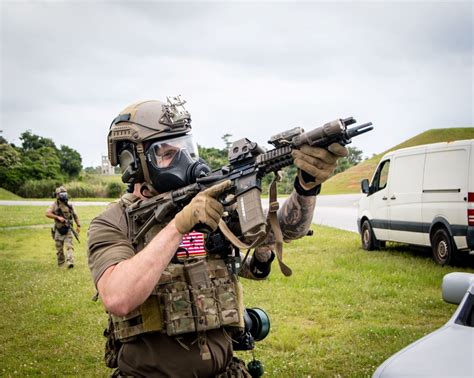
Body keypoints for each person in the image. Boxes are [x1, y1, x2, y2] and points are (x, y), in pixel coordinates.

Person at [87, 96, 347, 377]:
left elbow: (283, 231)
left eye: (186, 148)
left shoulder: (206, 202)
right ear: (133, 162)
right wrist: (178, 227)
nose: (184, 160)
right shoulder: (113, 222)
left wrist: (306, 187)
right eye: (167, 153)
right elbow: (118, 297)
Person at [46, 186, 81, 268]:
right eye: (62, 194)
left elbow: (76, 216)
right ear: (57, 195)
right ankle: (61, 263)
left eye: (65, 194)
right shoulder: (54, 205)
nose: (64, 196)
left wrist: (78, 225)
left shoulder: (69, 205)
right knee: (59, 249)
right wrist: (57, 217)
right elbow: (47, 213)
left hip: (68, 228)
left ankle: (70, 262)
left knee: (69, 246)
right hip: (58, 229)